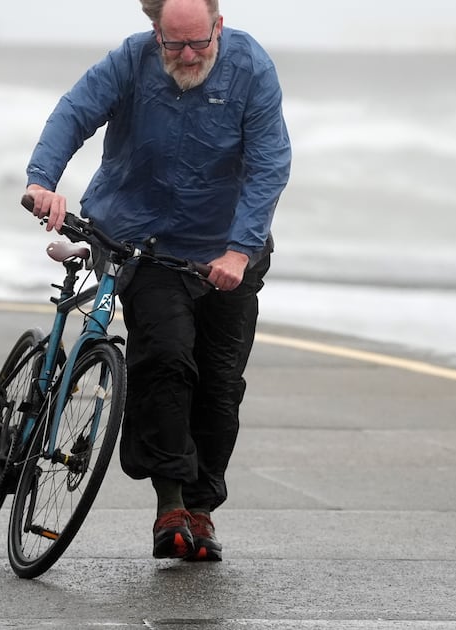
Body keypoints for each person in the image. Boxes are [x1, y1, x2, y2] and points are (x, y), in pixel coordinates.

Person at [23, 0, 291, 561]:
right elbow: (74, 112)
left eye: (199, 43)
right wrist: (42, 180)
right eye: (175, 45)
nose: (188, 56)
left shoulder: (252, 69)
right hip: (142, 241)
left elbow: (270, 164)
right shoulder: (130, 60)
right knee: (166, 359)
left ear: (219, 25)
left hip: (225, 251)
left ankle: (201, 511)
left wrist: (240, 251)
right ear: (156, 33)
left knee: (220, 387)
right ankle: (170, 505)